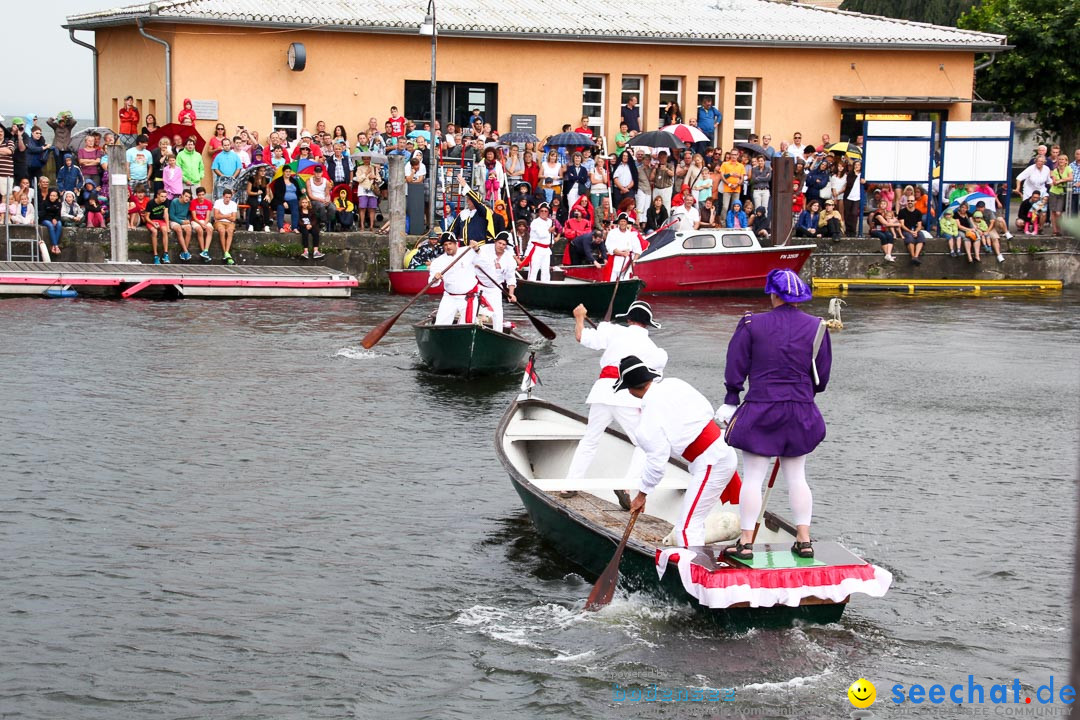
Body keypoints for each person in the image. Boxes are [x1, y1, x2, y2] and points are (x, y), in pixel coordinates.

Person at [718, 269, 830, 560]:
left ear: (772, 294)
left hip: (762, 407)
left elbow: (735, 365)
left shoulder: (751, 323)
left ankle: (745, 543)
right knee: (797, 476)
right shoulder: (818, 327)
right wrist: (803, 395)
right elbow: (822, 378)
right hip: (801, 408)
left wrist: (732, 397)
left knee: (753, 476)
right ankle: (804, 540)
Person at [619, 355, 740, 547]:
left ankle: (692, 575)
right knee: (692, 522)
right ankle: (696, 567)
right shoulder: (675, 384)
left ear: (631, 389)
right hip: (722, 451)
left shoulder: (649, 416)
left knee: (686, 528)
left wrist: (642, 494)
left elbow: (657, 463)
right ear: (649, 378)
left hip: (711, 462)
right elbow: (707, 410)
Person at [566, 303, 668, 501]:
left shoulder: (612, 331)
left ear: (629, 320)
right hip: (627, 395)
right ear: (647, 325)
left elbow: (581, 337)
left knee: (590, 440)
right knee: (644, 445)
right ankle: (626, 486)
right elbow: (653, 379)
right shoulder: (653, 349)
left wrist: (579, 317)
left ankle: (569, 485)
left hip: (602, 392)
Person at [429, 233, 481, 325]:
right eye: (445, 245)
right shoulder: (438, 262)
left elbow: (483, 261)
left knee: (467, 326)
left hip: (468, 297)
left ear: (455, 243)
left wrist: (477, 249)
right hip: (449, 297)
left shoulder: (468, 251)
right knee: (440, 325)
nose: (448, 247)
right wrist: (435, 278)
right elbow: (432, 284)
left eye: (450, 243)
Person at [474, 231, 518, 332]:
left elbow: (511, 278)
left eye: (504, 244)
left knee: (497, 314)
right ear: (495, 242)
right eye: (499, 243)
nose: (501, 246)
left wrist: (511, 294)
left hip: (495, 288)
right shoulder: (484, 249)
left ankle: (498, 333)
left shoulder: (509, 260)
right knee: (472, 311)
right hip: (478, 286)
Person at [523, 202, 555, 281]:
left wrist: (552, 240)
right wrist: (549, 230)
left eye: (545, 211)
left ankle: (546, 285)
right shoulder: (535, 222)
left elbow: (551, 235)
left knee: (545, 270)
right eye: (542, 211)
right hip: (537, 249)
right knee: (534, 270)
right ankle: (531, 285)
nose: (543, 213)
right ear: (539, 212)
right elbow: (541, 234)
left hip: (546, 249)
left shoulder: (550, 221)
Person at [604, 212, 640, 280]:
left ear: (627, 223)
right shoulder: (612, 233)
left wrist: (634, 261)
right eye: (621, 221)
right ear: (618, 222)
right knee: (612, 281)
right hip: (614, 261)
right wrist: (622, 253)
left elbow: (638, 250)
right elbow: (610, 247)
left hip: (627, 263)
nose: (622, 223)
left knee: (625, 281)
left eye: (624, 221)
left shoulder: (631, 235)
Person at [269, 165, 305, 231]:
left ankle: (295, 227)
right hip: (281, 200)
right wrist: (283, 202)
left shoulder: (294, 181)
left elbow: (298, 194)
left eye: (289, 172)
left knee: (295, 209)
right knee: (280, 208)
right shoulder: (279, 181)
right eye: (286, 171)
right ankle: (281, 227)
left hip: (293, 200)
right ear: (283, 172)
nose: (288, 173)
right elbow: (277, 194)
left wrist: (301, 191)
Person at [142, 188, 171, 263]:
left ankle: (166, 254)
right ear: (157, 196)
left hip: (161, 221)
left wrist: (168, 227)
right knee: (154, 232)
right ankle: (155, 255)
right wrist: (153, 223)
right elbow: (146, 217)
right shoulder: (151, 203)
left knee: (165, 230)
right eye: (162, 196)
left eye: (165, 196)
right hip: (151, 221)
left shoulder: (166, 201)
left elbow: (166, 214)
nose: (164, 198)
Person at [213, 188, 239, 265]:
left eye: (229, 197)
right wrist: (227, 215)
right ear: (223, 196)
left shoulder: (233, 204)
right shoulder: (218, 202)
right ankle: (226, 253)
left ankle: (226, 252)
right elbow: (216, 216)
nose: (228, 199)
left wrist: (222, 215)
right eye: (226, 197)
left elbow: (233, 218)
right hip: (219, 222)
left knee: (230, 231)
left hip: (230, 223)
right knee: (222, 230)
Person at [168, 188, 194, 260]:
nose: (187, 198)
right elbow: (171, 215)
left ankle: (183, 252)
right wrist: (181, 222)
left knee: (189, 230)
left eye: (189, 197)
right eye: (186, 196)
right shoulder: (174, 202)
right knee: (178, 229)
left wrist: (188, 220)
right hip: (174, 220)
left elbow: (190, 214)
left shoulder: (189, 203)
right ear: (182, 195)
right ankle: (186, 251)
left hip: (184, 220)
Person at [39, 189, 63, 254]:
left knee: (59, 225)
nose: (52, 197)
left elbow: (59, 214)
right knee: (50, 226)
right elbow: (43, 214)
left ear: (57, 197)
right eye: (51, 195)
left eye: (54, 196)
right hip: (45, 219)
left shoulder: (59, 204)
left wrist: (55, 219)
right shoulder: (44, 203)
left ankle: (53, 246)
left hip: (55, 219)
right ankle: (56, 245)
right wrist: (51, 219)